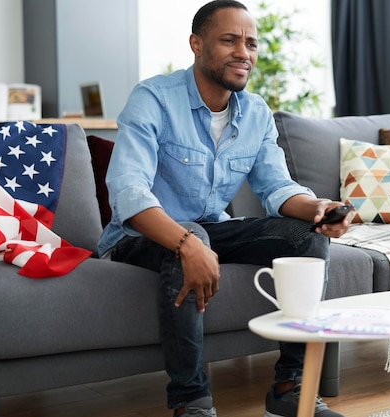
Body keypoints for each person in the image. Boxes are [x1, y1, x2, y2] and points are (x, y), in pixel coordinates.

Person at [97, 1, 352, 416]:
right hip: (137, 237)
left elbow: (277, 188)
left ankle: (291, 388)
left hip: (211, 230)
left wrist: (318, 209)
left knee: (305, 238)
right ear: (197, 44)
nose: (243, 52)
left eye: (251, 43)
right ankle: (190, 402)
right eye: (229, 40)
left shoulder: (255, 113)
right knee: (192, 238)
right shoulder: (153, 99)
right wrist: (187, 242)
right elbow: (128, 192)